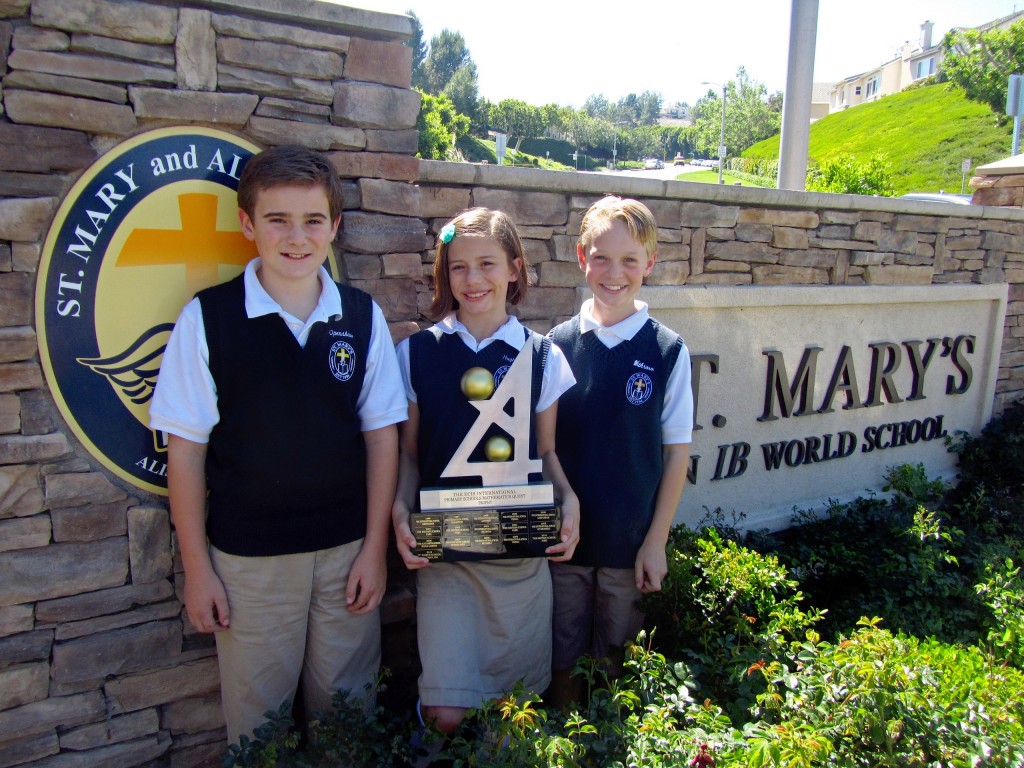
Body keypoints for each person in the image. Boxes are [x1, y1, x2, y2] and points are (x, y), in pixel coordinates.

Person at [149, 144, 406, 744]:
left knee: (347, 721)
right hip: (248, 565)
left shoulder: (361, 317)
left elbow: (382, 440)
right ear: (247, 224)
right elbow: (184, 452)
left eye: (314, 220)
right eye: (278, 220)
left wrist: (374, 551)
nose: (297, 236)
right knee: (258, 729)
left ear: (334, 228)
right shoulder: (208, 319)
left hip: (346, 556)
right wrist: (197, 570)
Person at [391, 207, 580, 743]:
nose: (472, 280)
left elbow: (545, 451)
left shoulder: (543, 356)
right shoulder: (417, 354)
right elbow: (408, 454)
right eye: (458, 267)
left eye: (487, 264)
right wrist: (399, 510)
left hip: (518, 560)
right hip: (446, 554)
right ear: (444, 275)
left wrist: (570, 500)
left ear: (515, 269)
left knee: (513, 716)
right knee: (446, 714)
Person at [546, 195, 693, 706]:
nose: (615, 272)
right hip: (566, 546)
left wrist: (656, 541)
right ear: (582, 258)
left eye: (630, 260)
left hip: (629, 547)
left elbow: (676, 453)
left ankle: (605, 745)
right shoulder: (557, 344)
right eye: (602, 258)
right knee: (561, 660)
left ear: (649, 264)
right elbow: (544, 447)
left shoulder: (667, 350)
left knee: (616, 664)